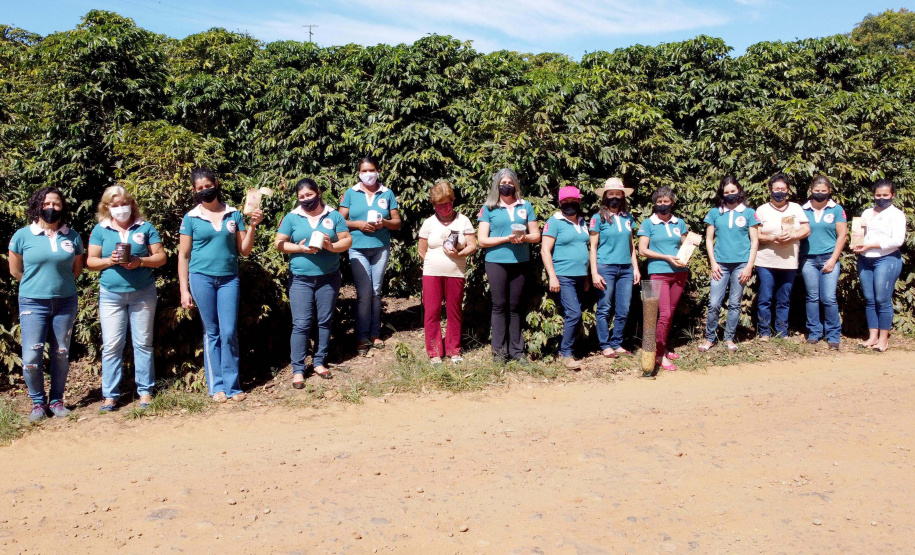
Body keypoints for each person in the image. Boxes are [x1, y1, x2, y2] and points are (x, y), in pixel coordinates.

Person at [178, 167, 263, 403]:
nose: (205, 190)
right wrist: (184, 290)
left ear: (216, 183)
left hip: (229, 279)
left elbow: (244, 251)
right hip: (200, 278)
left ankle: (233, 386)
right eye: (200, 188)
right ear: (195, 191)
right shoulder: (191, 218)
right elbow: (183, 255)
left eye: (208, 185)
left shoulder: (234, 214)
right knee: (211, 332)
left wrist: (253, 225)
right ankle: (217, 387)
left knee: (228, 332)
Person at [86, 185, 167, 411]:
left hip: (143, 293)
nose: (121, 208)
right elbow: (90, 262)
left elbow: (161, 257)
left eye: (124, 203)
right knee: (112, 345)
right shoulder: (100, 230)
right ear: (107, 207)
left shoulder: (146, 227)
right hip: (111, 294)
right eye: (115, 205)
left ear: (131, 204)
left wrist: (141, 261)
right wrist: (109, 261)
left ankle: (145, 393)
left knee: (143, 343)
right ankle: (110, 396)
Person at [7, 187, 84, 422]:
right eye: (46, 203)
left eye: (56, 204)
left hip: (65, 302)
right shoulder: (22, 235)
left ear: (63, 207)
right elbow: (15, 270)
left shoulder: (73, 236)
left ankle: (57, 401)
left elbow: (77, 270)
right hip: (33, 302)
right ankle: (38, 403)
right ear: (37, 205)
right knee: (31, 357)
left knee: (61, 353)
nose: (51, 208)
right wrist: (37, 285)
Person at [275, 178, 352, 385]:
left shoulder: (333, 215)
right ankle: (298, 369)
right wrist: (300, 248)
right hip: (300, 278)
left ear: (318, 192)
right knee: (301, 323)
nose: (306, 199)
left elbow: (347, 240)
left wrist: (331, 247)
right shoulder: (292, 217)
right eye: (301, 197)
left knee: (324, 321)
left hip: (329, 277)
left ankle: (319, 362)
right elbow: (279, 243)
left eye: (309, 195)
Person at [339, 157, 402, 356]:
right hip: (357, 247)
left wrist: (384, 222)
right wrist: (357, 224)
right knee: (364, 293)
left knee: (376, 291)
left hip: (380, 247)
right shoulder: (351, 193)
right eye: (365, 170)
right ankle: (361, 336)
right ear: (359, 173)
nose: (369, 174)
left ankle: (375, 333)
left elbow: (397, 222)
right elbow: (339, 220)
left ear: (378, 171)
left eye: (372, 169)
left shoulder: (387, 192)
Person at [477, 168, 541, 364]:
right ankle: (498, 352)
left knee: (515, 306)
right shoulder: (489, 208)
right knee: (499, 306)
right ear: (497, 185)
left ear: (516, 185)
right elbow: (482, 240)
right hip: (496, 261)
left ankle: (517, 351)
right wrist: (506, 238)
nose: (507, 186)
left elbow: (536, 235)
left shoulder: (525, 205)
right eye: (503, 182)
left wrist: (523, 239)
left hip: (520, 262)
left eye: (511, 182)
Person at [637, 186, 700, 371]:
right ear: (654, 204)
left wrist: (692, 242)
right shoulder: (648, 224)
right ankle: (658, 354)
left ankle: (663, 348)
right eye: (659, 202)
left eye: (666, 201)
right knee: (663, 314)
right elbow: (642, 250)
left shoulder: (679, 223)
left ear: (672, 202)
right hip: (659, 273)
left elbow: (685, 243)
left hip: (680, 273)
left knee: (670, 313)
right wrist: (666, 257)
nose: (663, 205)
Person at [698, 176, 760, 353]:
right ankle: (710, 338)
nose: (730, 194)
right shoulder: (715, 212)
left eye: (733, 191)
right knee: (714, 303)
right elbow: (709, 240)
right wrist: (713, 262)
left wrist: (749, 266)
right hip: (720, 265)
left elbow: (754, 242)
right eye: (727, 192)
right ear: (722, 194)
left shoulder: (749, 213)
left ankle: (729, 338)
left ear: (739, 191)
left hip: (741, 264)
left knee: (734, 303)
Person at [418, 182, 477, 364]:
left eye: (447, 203)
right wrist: (433, 264)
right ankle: (435, 351)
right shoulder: (428, 223)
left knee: (454, 311)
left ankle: (454, 349)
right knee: (432, 312)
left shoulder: (463, 220)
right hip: (432, 273)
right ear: (434, 205)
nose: (444, 208)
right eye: (439, 204)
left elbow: (472, 245)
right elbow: (422, 250)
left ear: (453, 201)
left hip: (455, 272)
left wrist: (459, 254)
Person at [755, 173, 810, 340]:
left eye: (783, 188)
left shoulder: (796, 208)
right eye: (776, 188)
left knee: (784, 299)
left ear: (788, 190)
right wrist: (773, 238)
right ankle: (764, 332)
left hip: (789, 261)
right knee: (765, 297)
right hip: (765, 260)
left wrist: (793, 236)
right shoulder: (762, 210)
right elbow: (756, 234)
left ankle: (781, 332)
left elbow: (806, 229)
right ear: (770, 190)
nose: (779, 191)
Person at [589, 178, 640, 359]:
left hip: (626, 269)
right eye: (611, 194)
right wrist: (594, 272)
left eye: (618, 194)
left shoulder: (628, 217)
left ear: (622, 197)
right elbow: (593, 247)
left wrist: (636, 268)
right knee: (604, 307)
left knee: (624, 308)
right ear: (605, 196)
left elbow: (631, 245)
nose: (615, 197)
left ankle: (617, 342)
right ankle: (605, 345)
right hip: (606, 267)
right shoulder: (597, 218)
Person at [543, 186, 591, 370]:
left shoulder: (583, 221)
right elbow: (545, 250)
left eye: (573, 201)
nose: (569, 204)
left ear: (579, 202)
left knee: (572, 314)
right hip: (564, 276)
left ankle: (568, 350)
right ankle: (565, 353)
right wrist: (552, 276)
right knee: (574, 314)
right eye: (565, 201)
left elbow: (584, 249)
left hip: (581, 277)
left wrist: (587, 276)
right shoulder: (554, 222)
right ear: (560, 203)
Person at [854, 179, 906, 352]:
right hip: (865, 259)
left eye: (885, 195)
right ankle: (872, 337)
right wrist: (857, 244)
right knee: (869, 299)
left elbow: (898, 240)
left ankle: (883, 340)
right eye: (878, 195)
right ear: (873, 195)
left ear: (893, 195)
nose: (881, 198)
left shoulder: (897, 214)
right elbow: (859, 233)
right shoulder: (867, 212)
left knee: (882, 300)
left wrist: (871, 245)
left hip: (887, 258)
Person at [799, 176, 847, 350]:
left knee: (828, 297)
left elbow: (842, 236)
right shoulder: (802, 210)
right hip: (808, 259)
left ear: (829, 191)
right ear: (811, 191)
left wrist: (833, 259)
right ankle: (814, 333)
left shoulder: (836, 209)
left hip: (829, 257)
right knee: (812, 297)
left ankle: (833, 335)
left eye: (823, 191)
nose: (820, 194)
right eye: (817, 191)